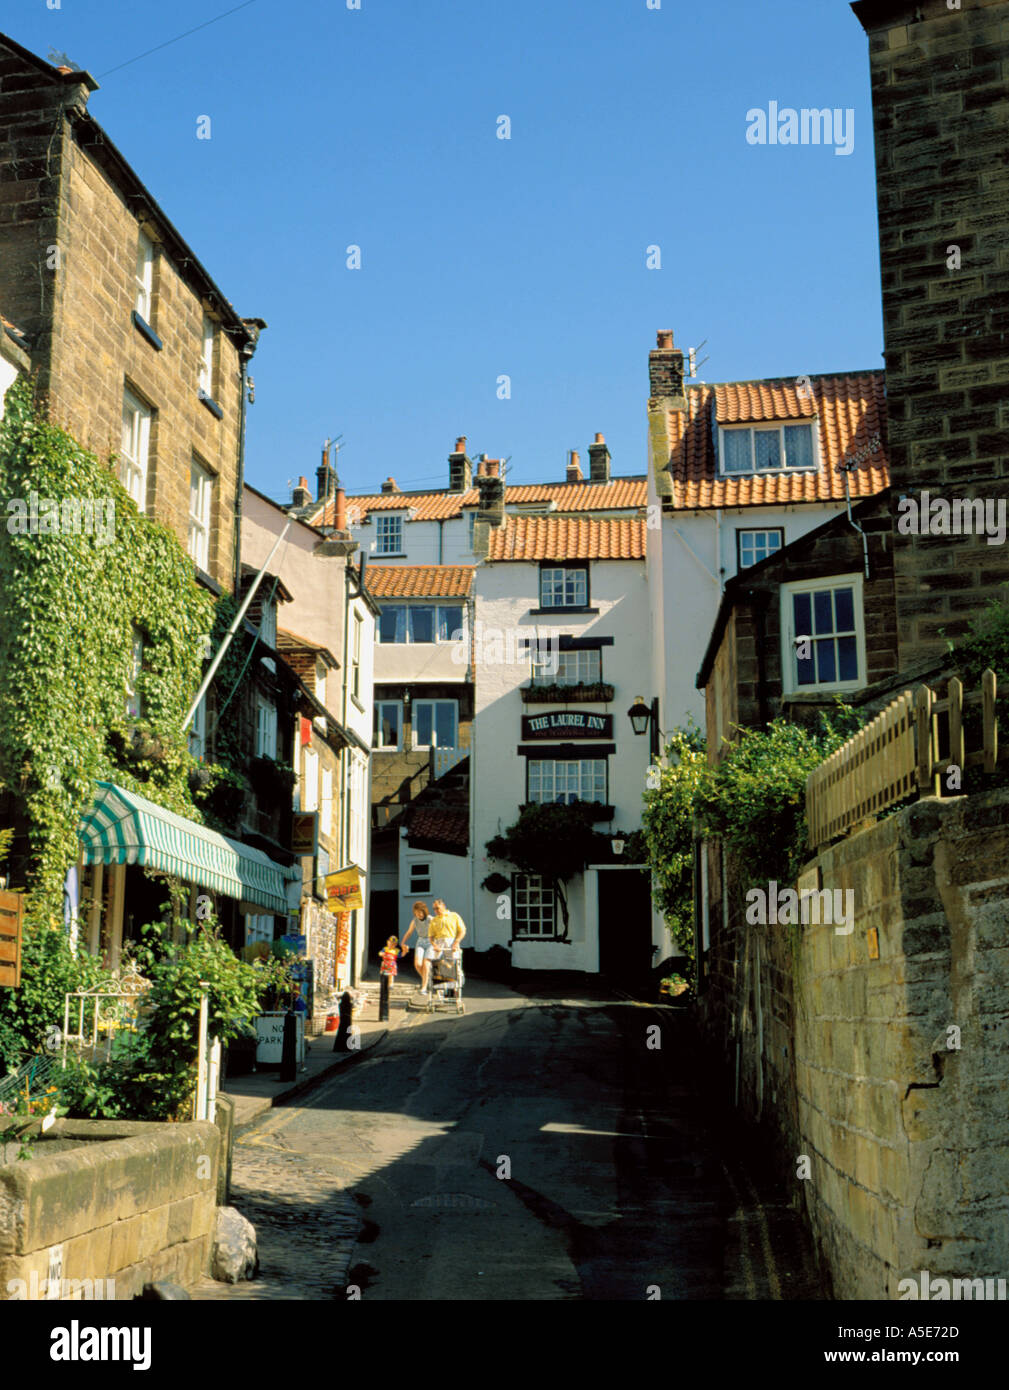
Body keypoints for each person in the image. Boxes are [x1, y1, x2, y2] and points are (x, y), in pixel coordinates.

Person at [423, 898, 467, 995]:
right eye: (434, 909)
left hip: (451, 941)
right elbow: (431, 937)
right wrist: (434, 945)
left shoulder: (454, 916)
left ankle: (456, 988)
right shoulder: (434, 920)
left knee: (454, 965)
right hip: (439, 943)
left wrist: (456, 942)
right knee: (437, 965)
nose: (436, 911)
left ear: (443, 906)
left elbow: (462, 930)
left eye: (437, 908)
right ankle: (439, 991)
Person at [400, 901, 431, 991]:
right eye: (417, 913)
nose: (419, 915)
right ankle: (427, 979)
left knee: (425, 964)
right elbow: (409, 932)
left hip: (430, 942)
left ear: (424, 911)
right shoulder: (414, 921)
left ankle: (424, 986)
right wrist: (402, 943)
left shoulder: (430, 919)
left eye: (421, 912)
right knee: (417, 964)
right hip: (420, 941)